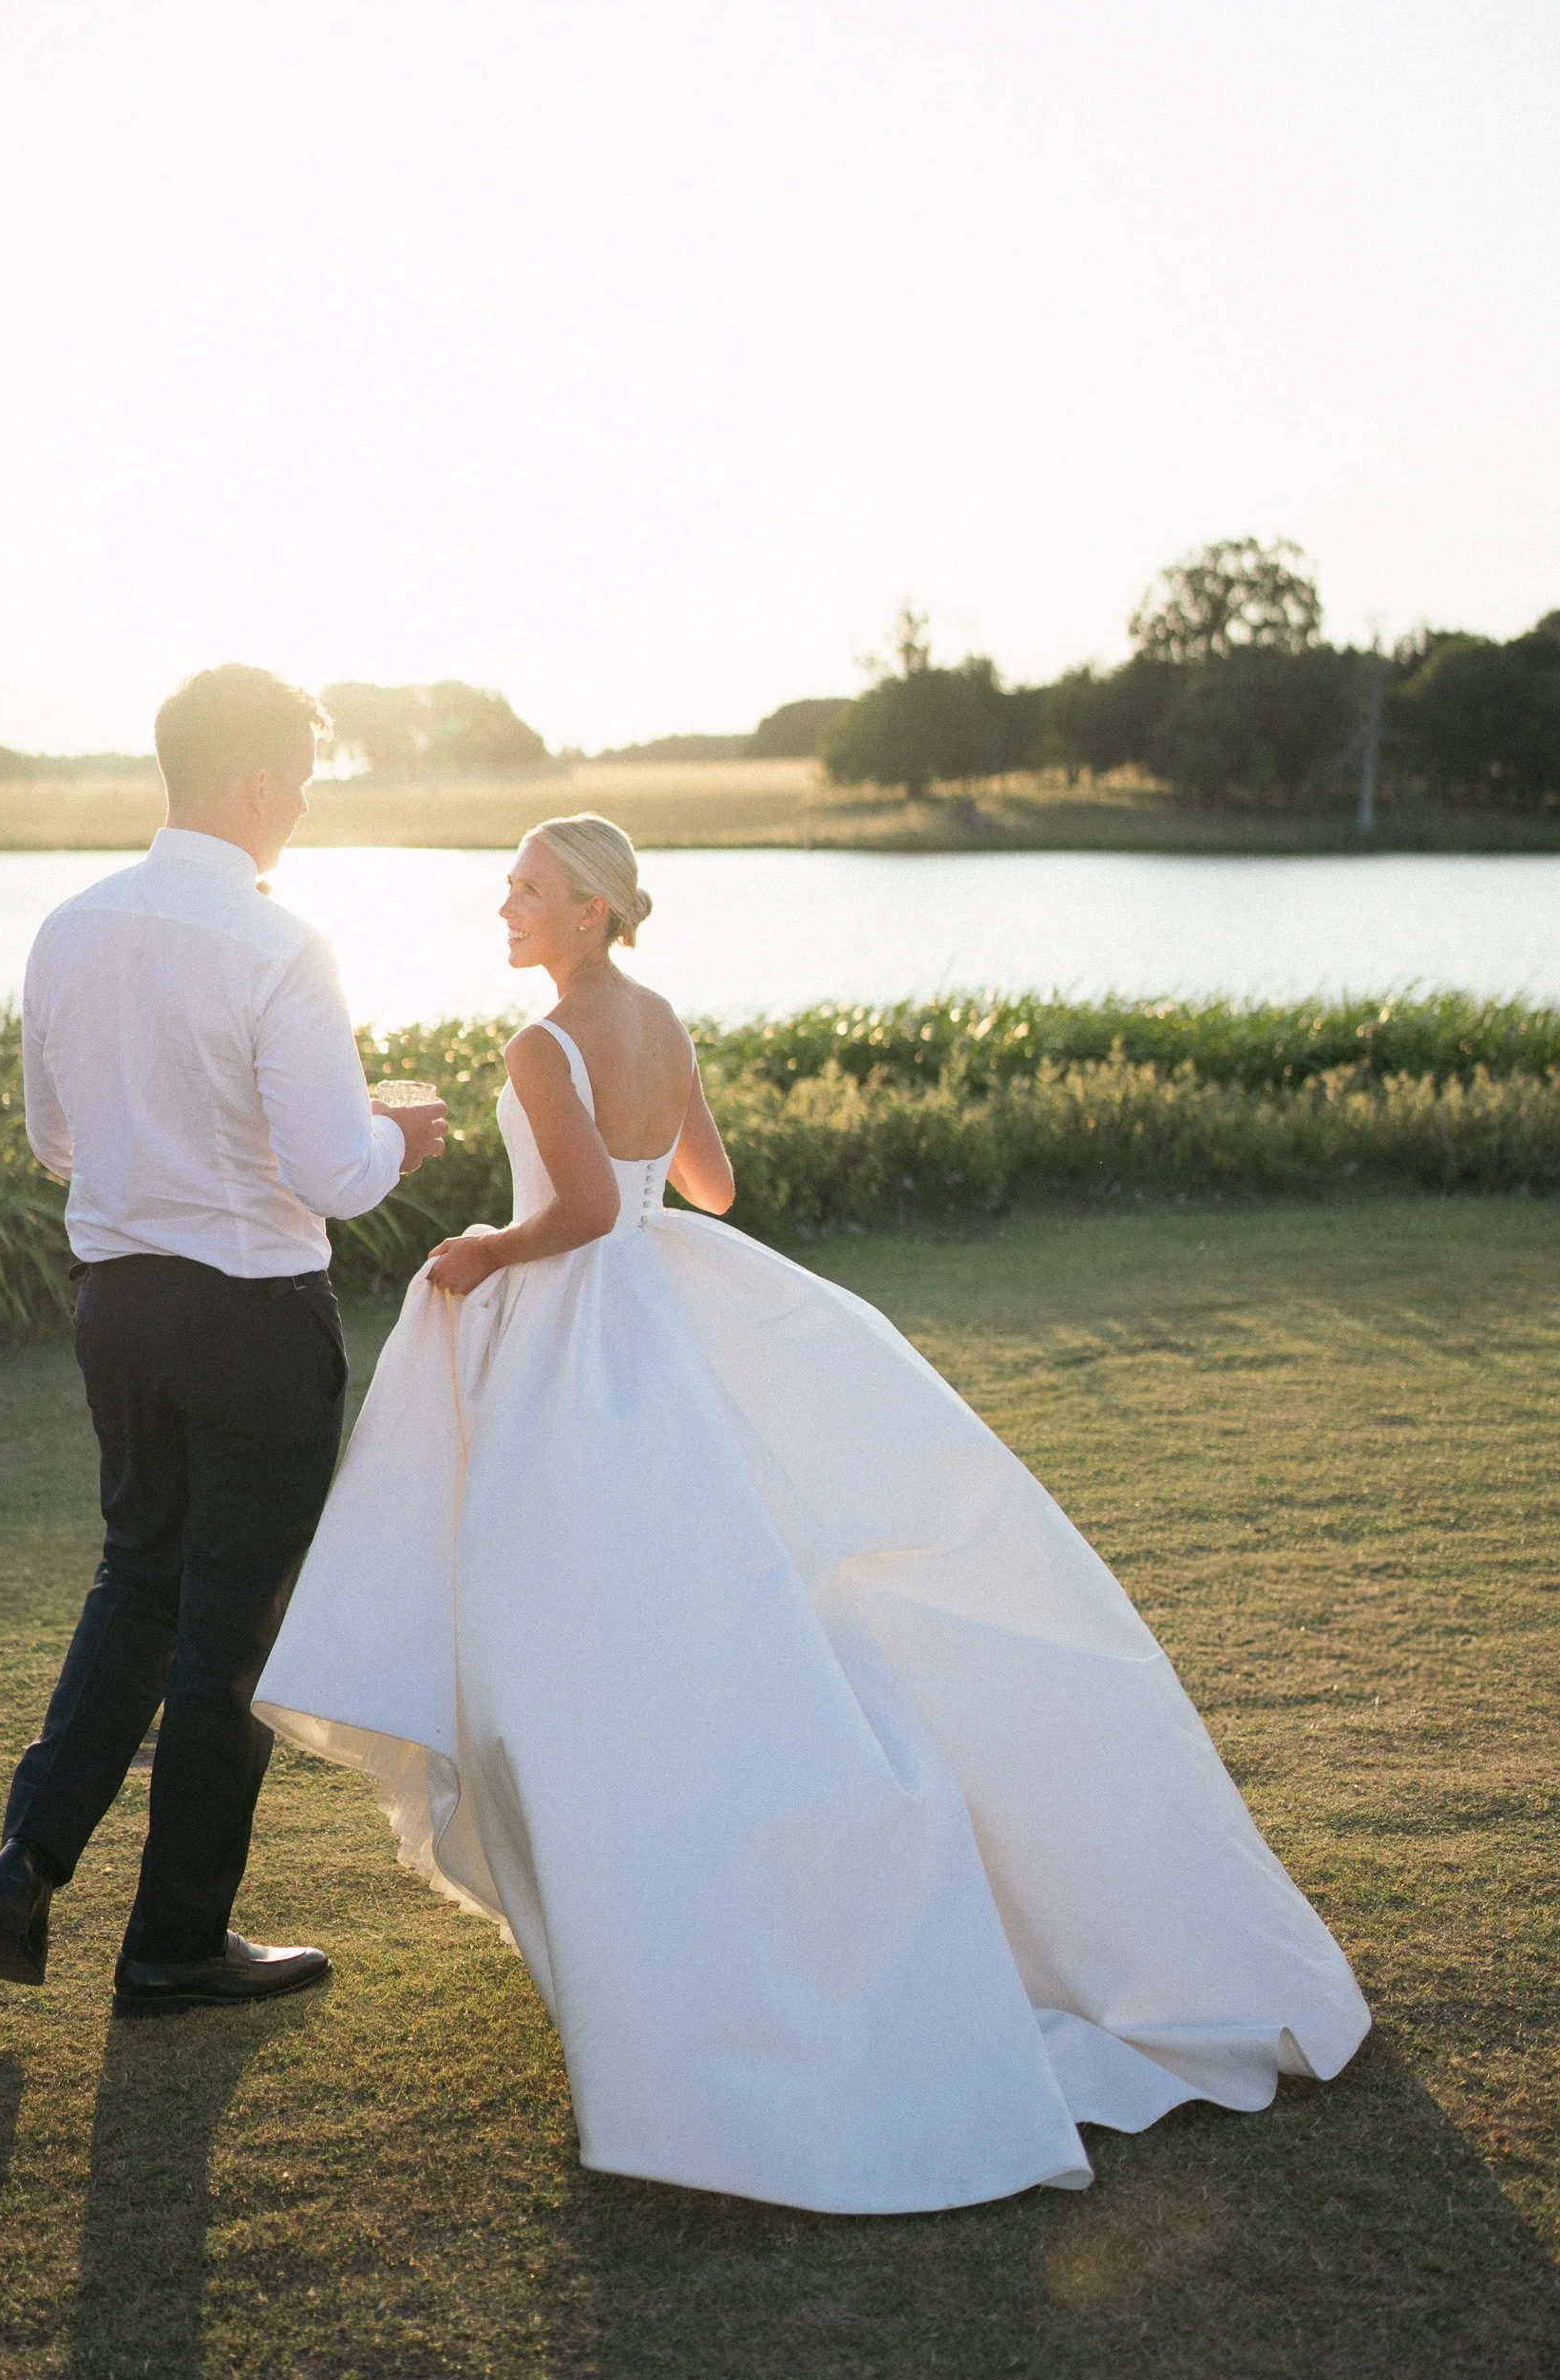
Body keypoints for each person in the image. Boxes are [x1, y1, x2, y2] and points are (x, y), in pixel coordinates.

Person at [253, 812, 1369, 2213]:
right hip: (673, 1299)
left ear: (593, 909)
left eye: (530, 892)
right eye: (510, 890)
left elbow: (588, 1210)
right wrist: (634, 1169)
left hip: (589, 1336)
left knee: (577, 1619)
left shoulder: (542, 1046)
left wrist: (487, 1244)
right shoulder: (659, 1017)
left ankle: (667, 1917)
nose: (507, 910)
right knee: (732, 1584)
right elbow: (706, 1189)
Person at [0, 664, 447, 2015]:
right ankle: (175, 1940)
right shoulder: (281, 945)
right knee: (232, 1630)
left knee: (138, 1581)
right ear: (251, 780)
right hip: (251, 1321)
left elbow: (51, 1139)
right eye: (296, 774)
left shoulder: (68, 927)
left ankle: (26, 1862)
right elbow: (335, 1172)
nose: (300, 801)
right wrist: (403, 1135)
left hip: (118, 1310)